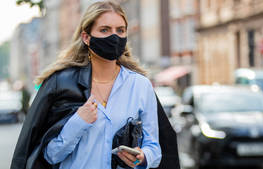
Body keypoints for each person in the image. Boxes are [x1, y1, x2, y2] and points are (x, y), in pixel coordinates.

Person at [10, 1, 180, 169]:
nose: (114, 37)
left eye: (120, 30)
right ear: (86, 37)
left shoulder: (141, 86)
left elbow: (155, 149)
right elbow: (50, 155)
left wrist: (143, 158)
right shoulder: (61, 84)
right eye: (105, 30)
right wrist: (78, 123)